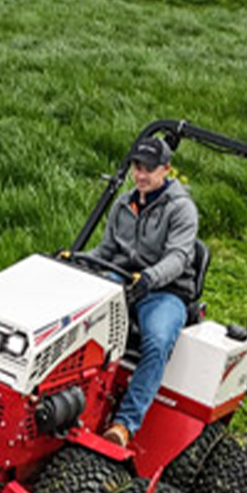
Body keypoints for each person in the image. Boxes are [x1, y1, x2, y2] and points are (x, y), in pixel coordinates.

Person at [79, 136, 199, 448]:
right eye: (136, 167)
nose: (140, 175)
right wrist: (78, 262)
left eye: (148, 169)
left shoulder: (182, 209)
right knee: (77, 316)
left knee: (157, 342)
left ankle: (124, 424)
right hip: (121, 280)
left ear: (166, 171)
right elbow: (106, 250)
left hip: (165, 291)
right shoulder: (124, 204)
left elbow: (179, 257)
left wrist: (149, 277)